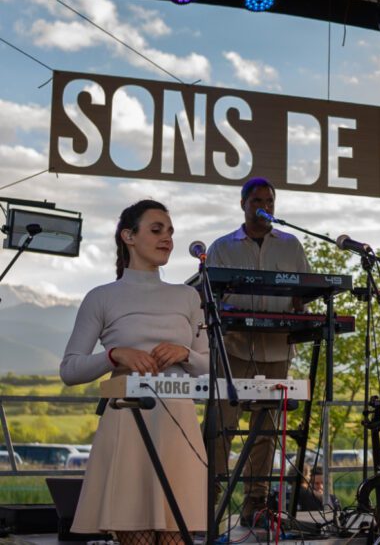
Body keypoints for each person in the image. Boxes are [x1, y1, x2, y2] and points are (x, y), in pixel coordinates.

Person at [60, 200, 209, 544]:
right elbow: (69, 369)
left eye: (170, 231)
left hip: (178, 425)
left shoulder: (188, 296)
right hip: (127, 424)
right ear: (128, 236)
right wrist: (114, 356)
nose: (167, 239)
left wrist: (185, 352)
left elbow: (212, 363)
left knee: (179, 530)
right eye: (156, 230)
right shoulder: (101, 297)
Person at [206, 177, 311, 526]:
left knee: (266, 431)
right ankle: (207, 503)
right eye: (257, 201)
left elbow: (306, 292)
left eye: (270, 201)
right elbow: (212, 297)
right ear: (243, 204)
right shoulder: (223, 246)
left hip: (277, 348)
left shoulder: (291, 244)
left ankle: (256, 505)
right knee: (222, 425)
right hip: (233, 348)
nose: (264, 206)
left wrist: (301, 310)